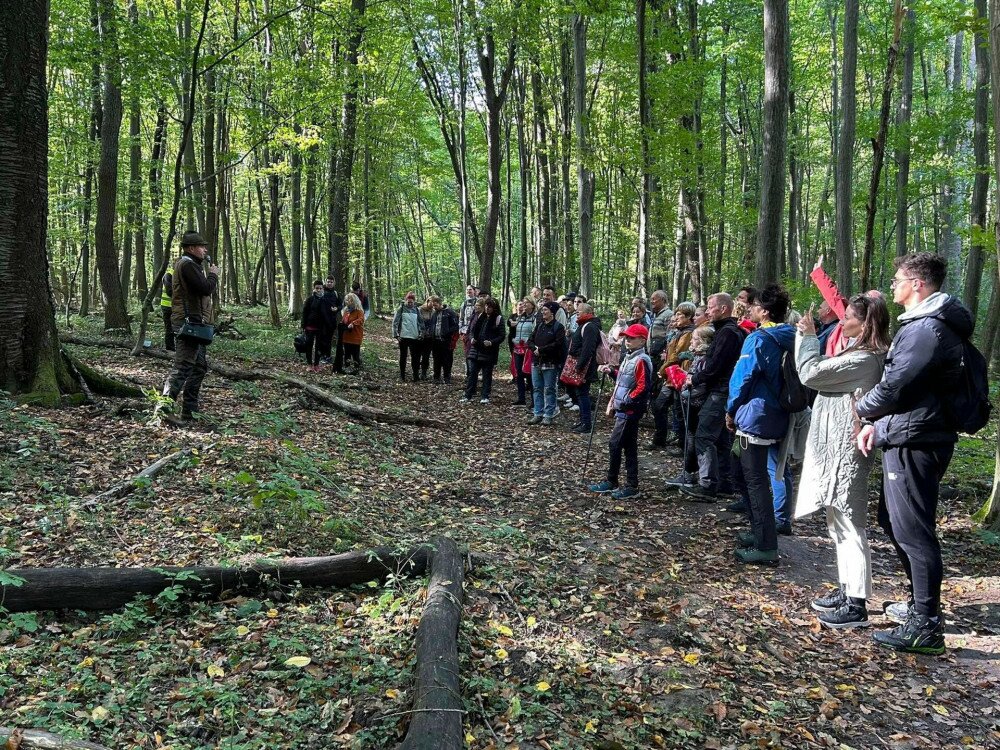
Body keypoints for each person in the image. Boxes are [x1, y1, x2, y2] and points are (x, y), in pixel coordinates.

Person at [856, 253, 971, 655]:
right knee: (894, 520)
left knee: (914, 531)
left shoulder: (926, 330)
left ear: (918, 284)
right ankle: (919, 608)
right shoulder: (927, 326)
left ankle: (926, 626)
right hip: (909, 433)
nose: (892, 285)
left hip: (917, 441)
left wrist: (863, 409)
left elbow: (896, 386)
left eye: (898, 279)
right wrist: (880, 423)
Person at [793, 293, 891, 629]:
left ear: (866, 324)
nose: (842, 321)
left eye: (849, 317)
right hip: (834, 447)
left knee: (850, 524)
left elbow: (811, 372)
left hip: (846, 451)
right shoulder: (857, 352)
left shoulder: (865, 359)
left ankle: (857, 603)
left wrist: (806, 336)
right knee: (838, 522)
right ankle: (848, 588)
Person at [725, 283, 796, 566]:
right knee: (745, 472)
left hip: (755, 416)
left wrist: (731, 410)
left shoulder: (759, 339)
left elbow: (742, 378)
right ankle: (760, 532)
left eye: (754, 306)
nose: (751, 309)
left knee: (754, 480)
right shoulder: (792, 336)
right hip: (777, 414)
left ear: (764, 311)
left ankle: (767, 545)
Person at [677, 293, 744, 500]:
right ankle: (724, 483)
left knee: (704, 436)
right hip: (723, 391)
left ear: (724, 308)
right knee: (722, 438)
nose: (707, 311)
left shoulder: (728, 333)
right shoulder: (728, 331)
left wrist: (694, 378)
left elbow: (716, 366)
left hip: (720, 392)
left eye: (711, 307)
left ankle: (707, 485)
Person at [588, 324, 653, 500]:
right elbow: (625, 380)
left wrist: (628, 400)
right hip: (624, 408)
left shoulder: (642, 360)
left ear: (642, 340)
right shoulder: (629, 358)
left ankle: (613, 481)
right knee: (628, 446)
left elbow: (643, 386)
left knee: (615, 443)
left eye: (631, 338)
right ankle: (630, 484)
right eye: (626, 338)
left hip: (629, 410)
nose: (627, 341)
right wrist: (611, 372)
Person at [161, 231, 219, 420]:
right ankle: (163, 410)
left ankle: (190, 411)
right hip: (188, 323)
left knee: (199, 366)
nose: (205, 250)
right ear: (191, 248)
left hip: (196, 323)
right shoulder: (187, 264)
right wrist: (213, 275)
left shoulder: (191, 264)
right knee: (184, 366)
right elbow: (204, 288)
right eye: (202, 246)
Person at [666, 324, 715, 489]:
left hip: (696, 406)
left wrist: (684, 386)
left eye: (694, 339)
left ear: (703, 341)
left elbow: (700, 385)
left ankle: (692, 475)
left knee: (694, 440)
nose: (691, 342)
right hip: (692, 404)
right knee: (691, 438)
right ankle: (690, 473)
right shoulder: (698, 357)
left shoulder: (705, 359)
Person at [651, 302, 696, 448]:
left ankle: (683, 446)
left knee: (680, 412)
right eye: (676, 314)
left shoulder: (688, 333)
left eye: (679, 315)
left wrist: (662, 370)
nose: (676, 318)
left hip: (679, 376)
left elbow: (676, 356)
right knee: (659, 406)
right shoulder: (678, 332)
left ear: (688, 317)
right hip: (671, 377)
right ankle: (660, 440)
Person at [564, 302, 602, 434]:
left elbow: (588, 349)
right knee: (579, 394)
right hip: (581, 365)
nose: (576, 313)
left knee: (583, 394)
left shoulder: (590, 327)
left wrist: (579, 367)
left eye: (579, 311)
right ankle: (583, 420)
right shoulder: (584, 325)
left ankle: (586, 424)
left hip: (585, 367)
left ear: (587, 313)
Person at [528, 301, 567, 425]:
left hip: (550, 363)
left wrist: (542, 350)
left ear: (552, 313)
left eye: (545, 310)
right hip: (536, 362)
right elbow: (530, 340)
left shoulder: (558, 327)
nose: (543, 312)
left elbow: (558, 344)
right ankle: (537, 413)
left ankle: (549, 414)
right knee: (536, 388)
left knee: (549, 388)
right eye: (542, 310)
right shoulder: (539, 325)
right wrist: (535, 349)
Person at [462, 297, 505, 404]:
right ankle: (468, 395)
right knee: (472, 373)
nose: (487, 308)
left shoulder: (498, 318)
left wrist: (491, 342)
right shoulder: (481, 317)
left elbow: (502, 335)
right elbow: (473, 330)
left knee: (487, 374)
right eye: (486, 306)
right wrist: (472, 338)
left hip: (489, 352)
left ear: (494, 308)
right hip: (476, 349)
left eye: (490, 306)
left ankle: (485, 396)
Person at [392, 292, 425, 381]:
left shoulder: (417, 310)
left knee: (415, 357)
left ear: (414, 302)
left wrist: (421, 334)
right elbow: (395, 322)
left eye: (411, 302)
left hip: (414, 337)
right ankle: (402, 375)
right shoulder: (401, 309)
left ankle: (415, 375)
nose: (410, 304)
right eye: (408, 302)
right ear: (406, 301)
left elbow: (421, 323)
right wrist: (396, 335)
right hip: (403, 337)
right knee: (403, 356)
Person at [510, 299, 536, 406]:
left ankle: (534, 401)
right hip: (517, 348)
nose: (524, 305)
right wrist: (515, 339)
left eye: (527, 303)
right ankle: (521, 398)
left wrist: (528, 342)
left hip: (528, 349)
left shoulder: (535, 318)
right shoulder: (520, 317)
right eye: (523, 303)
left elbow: (535, 332)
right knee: (519, 374)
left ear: (532, 305)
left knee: (529, 374)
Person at [429, 296, 460, 384]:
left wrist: (447, 333)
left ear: (440, 304)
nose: (434, 307)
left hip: (446, 341)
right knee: (436, 359)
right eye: (433, 306)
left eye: (436, 305)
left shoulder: (449, 312)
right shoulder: (434, 314)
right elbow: (432, 325)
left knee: (447, 359)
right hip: (435, 341)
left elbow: (455, 326)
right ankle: (436, 377)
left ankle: (447, 377)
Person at [301, 280, 326, 372]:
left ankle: (316, 364)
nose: (319, 290)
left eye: (320, 288)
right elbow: (304, 313)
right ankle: (309, 364)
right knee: (309, 345)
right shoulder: (310, 299)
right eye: (317, 288)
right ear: (314, 289)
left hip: (320, 327)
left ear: (323, 289)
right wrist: (303, 325)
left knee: (319, 346)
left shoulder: (324, 300)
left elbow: (326, 313)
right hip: (309, 326)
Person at [337, 292, 366, 373]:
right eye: (346, 300)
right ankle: (347, 368)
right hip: (346, 337)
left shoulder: (359, 311)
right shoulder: (346, 311)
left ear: (354, 301)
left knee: (355, 354)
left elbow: (361, 320)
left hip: (356, 337)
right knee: (347, 354)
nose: (347, 301)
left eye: (350, 300)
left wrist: (353, 323)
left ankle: (357, 369)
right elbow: (344, 321)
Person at [319, 275, 342, 365]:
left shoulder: (335, 293)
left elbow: (341, 305)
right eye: (328, 281)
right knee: (321, 339)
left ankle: (328, 356)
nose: (329, 283)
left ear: (334, 283)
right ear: (325, 282)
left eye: (331, 282)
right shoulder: (321, 291)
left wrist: (337, 308)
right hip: (321, 320)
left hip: (331, 321)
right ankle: (321, 356)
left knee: (329, 339)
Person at [647, 290, 672, 362]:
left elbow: (670, 335)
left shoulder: (668, 314)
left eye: (654, 299)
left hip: (661, 356)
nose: (651, 301)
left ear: (663, 300)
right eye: (651, 299)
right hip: (653, 355)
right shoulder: (656, 315)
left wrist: (665, 352)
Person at [417, 296, 435, 380]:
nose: (433, 304)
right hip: (419, 336)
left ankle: (424, 372)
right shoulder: (419, 310)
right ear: (427, 301)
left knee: (426, 356)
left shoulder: (434, 311)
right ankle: (416, 371)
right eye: (431, 302)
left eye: (434, 302)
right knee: (417, 354)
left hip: (429, 337)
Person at [160, 272, 175, 351]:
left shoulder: (180, 274)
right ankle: (170, 349)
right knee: (169, 328)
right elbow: (169, 291)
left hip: (175, 306)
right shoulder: (168, 274)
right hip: (167, 306)